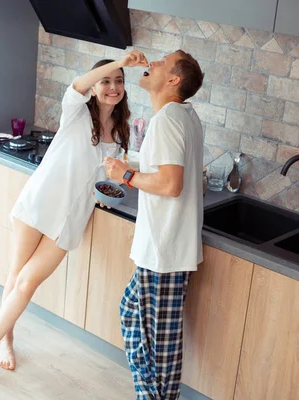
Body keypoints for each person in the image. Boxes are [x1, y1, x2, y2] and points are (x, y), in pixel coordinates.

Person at [0, 51, 149, 383]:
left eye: (119, 83)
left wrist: (106, 190)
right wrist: (119, 63)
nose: (113, 87)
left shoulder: (120, 134)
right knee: (17, 275)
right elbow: (81, 82)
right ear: (95, 87)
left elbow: (103, 176)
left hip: (71, 219)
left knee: (27, 282)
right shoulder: (75, 112)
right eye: (106, 81)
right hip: (41, 202)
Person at [104, 49, 205, 399]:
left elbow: (170, 184)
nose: (152, 64)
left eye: (162, 62)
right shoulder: (184, 115)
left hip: (163, 248)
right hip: (166, 246)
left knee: (157, 344)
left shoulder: (168, 120)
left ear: (174, 80)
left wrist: (127, 174)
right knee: (135, 315)